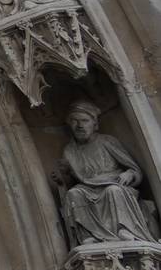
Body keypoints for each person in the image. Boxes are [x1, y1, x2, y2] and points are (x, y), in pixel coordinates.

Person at [61, 104, 161, 245]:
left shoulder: (106, 141)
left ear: (95, 124)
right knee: (74, 193)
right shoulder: (70, 150)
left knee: (113, 191)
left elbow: (134, 169)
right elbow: (70, 177)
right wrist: (61, 176)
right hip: (87, 187)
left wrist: (129, 174)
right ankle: (89, 235)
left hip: (114, 182)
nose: (79, 125)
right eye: (74, 121)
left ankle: (125, 228)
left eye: (84, 120)